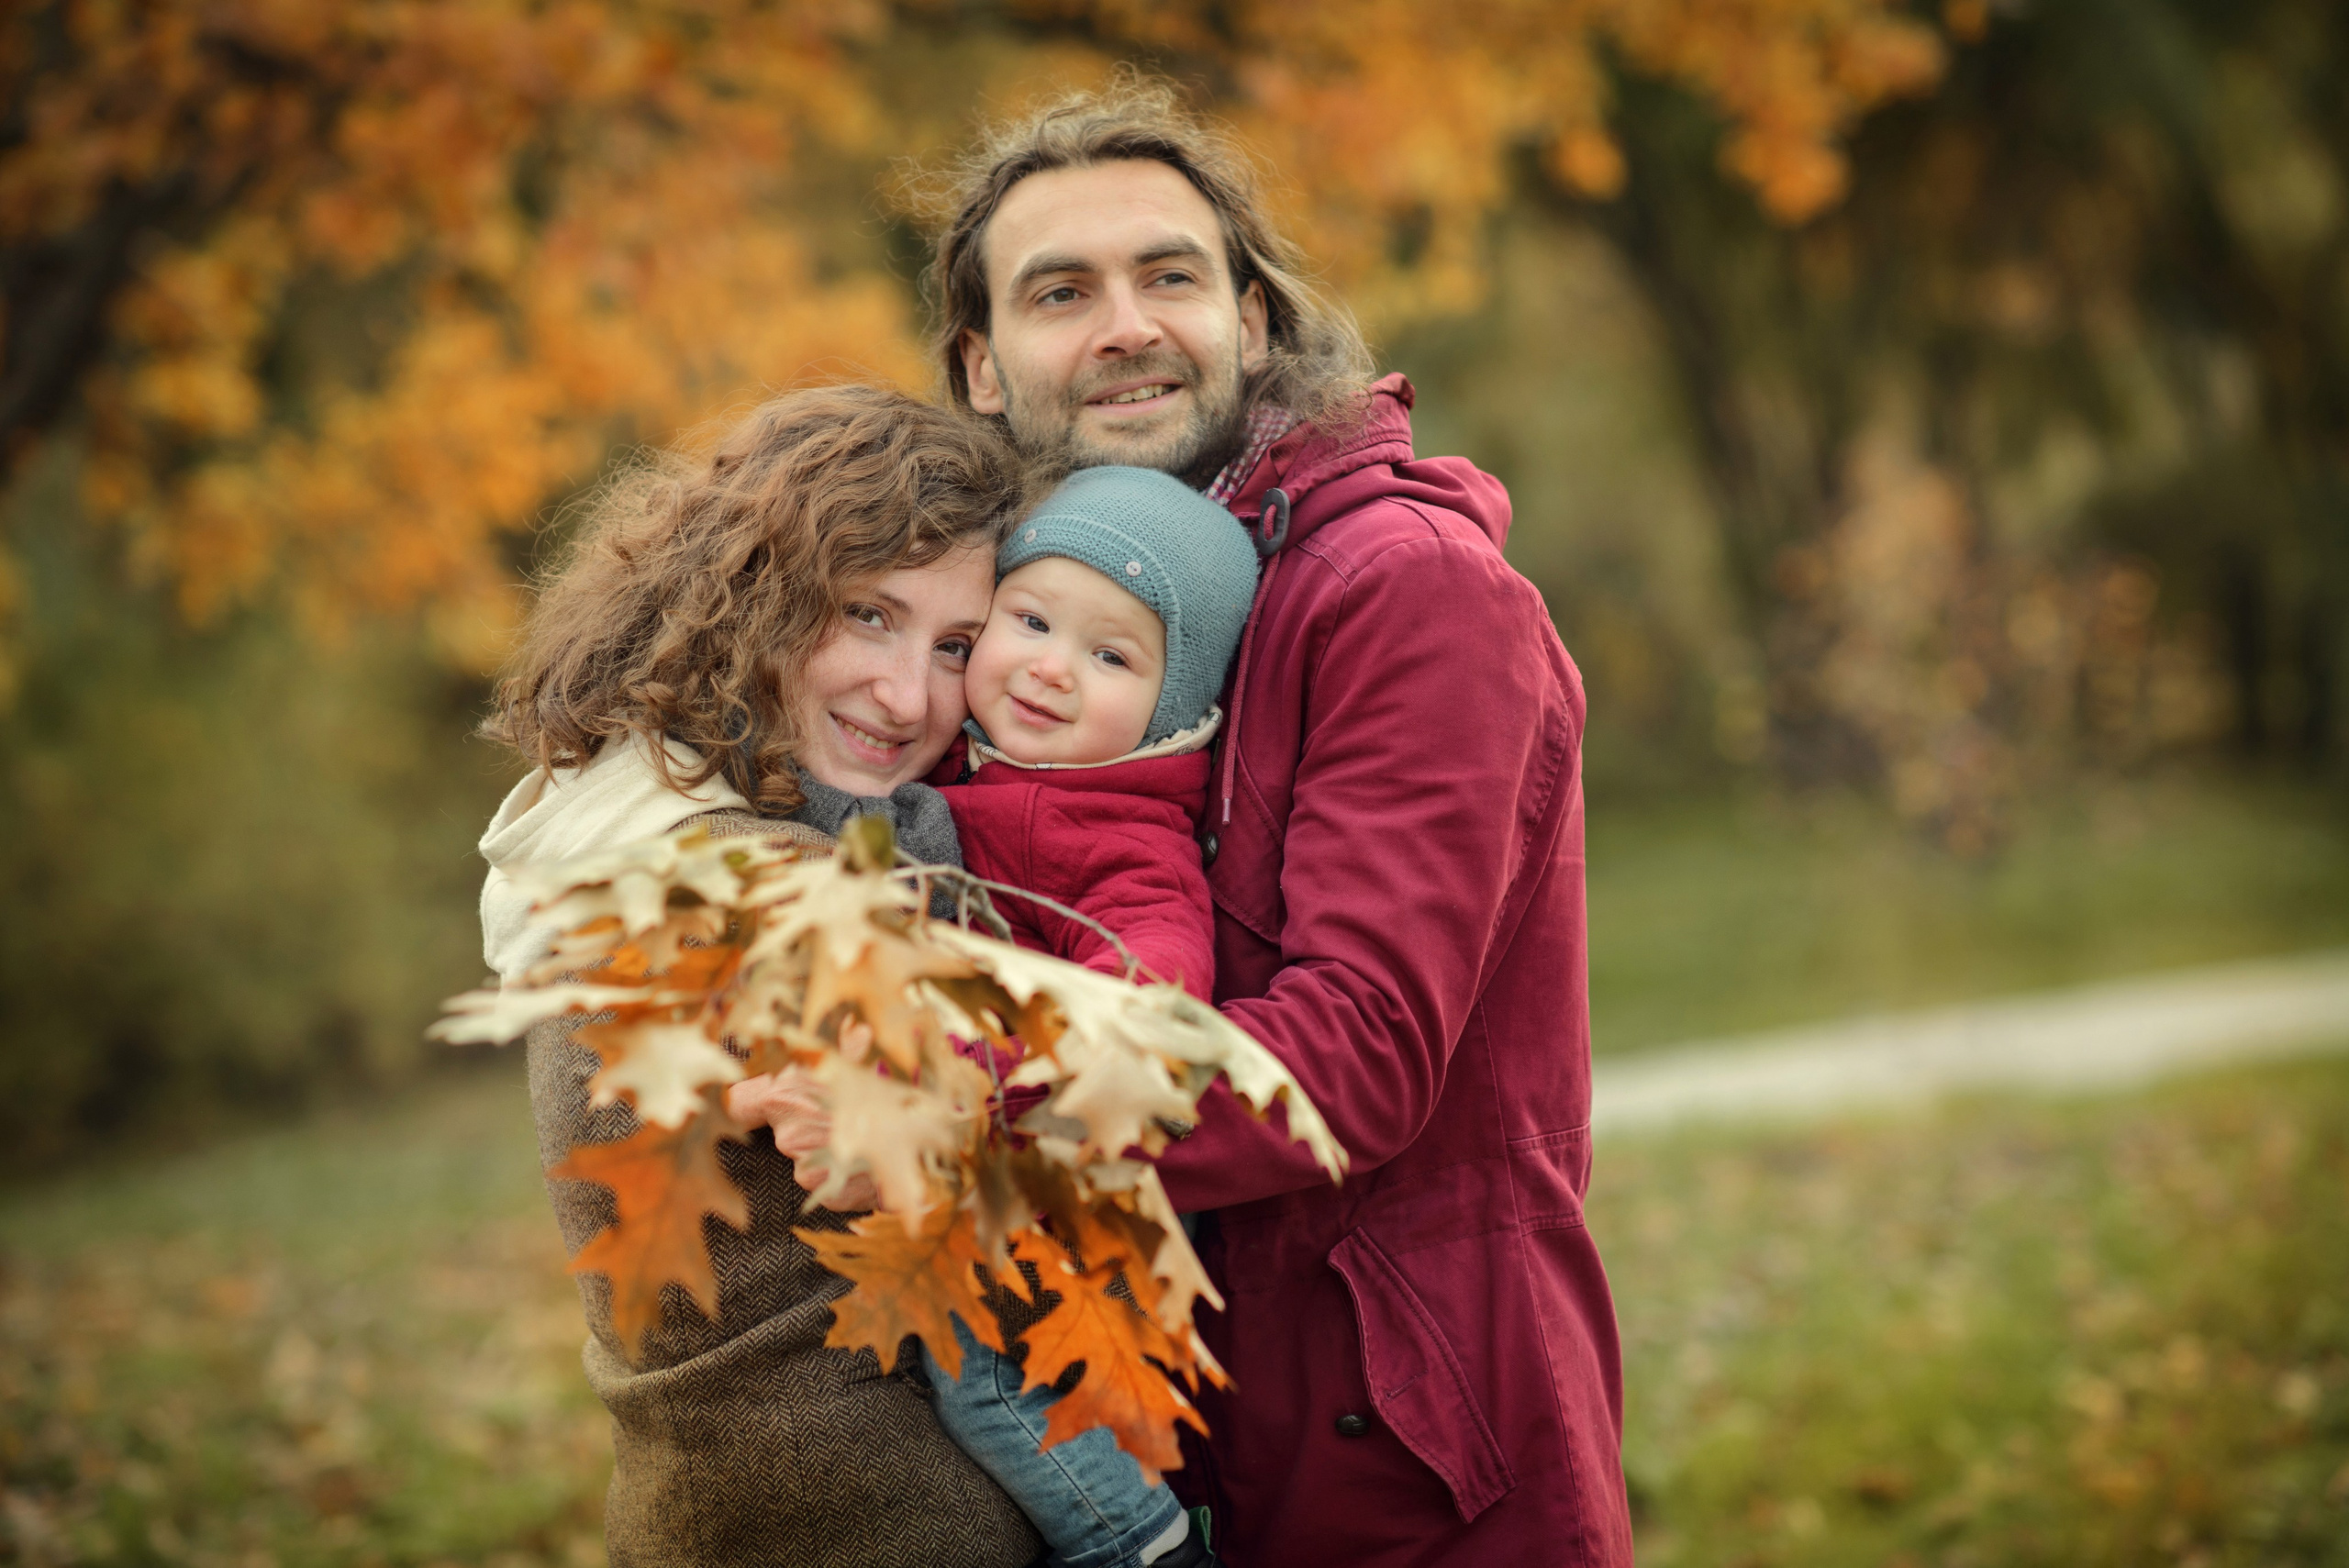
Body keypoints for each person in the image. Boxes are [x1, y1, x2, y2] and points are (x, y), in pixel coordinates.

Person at [918, 78, 1640, 1566]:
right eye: (1063, 291)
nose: (1126, 322)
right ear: (983, 366)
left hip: (1417, 1458)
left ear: (1255, 323)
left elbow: (1356, 1055)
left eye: (1170, 274)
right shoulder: (1049, 618)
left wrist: (940, 1085)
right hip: (1195, 1431)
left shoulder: (1401, 588)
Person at [477, 384, 1050, 1568]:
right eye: (867, 615)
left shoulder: (623, 809)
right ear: (753, 594)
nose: (910, 696)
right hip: (875, 1519)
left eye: (956, 646)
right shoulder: (758, 881)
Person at [915, 463, 1262, 1568]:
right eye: (1029, 619)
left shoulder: (1125, 837)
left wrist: (986, 1066)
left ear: (1172, 709)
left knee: (987, 1381)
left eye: (1111, 655)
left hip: (1074, 1205)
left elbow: (1146, 997)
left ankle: (1145, 1547)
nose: (1052, 667)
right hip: (1015, 1188)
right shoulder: (973, 771)